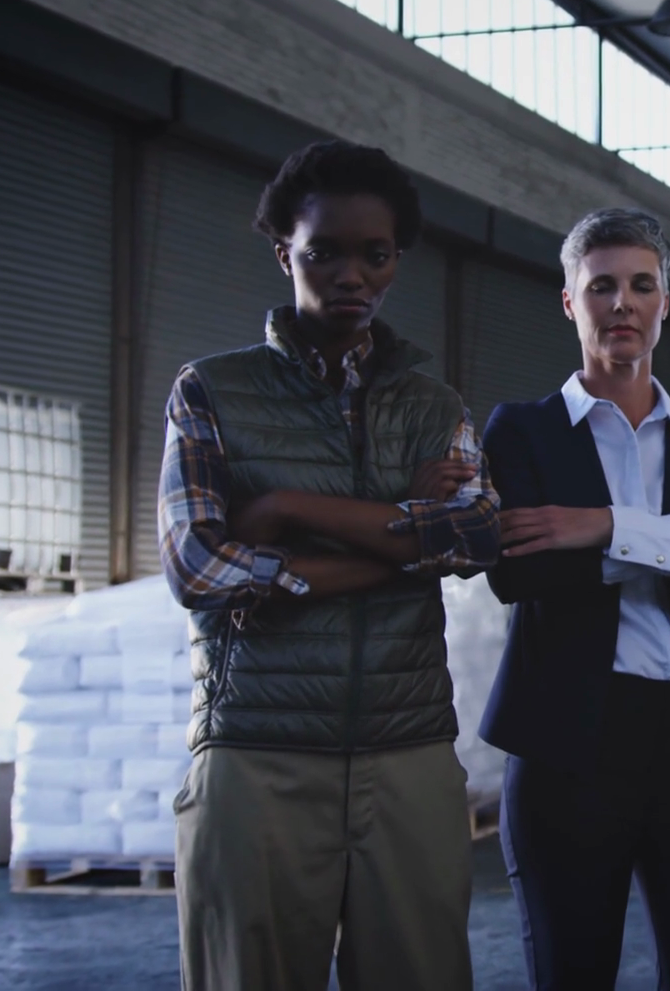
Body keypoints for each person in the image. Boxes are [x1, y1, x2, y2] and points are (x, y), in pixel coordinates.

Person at [160, 140, 499, 991]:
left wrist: (284, 512)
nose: (352, 275)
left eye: (374, 254)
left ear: (396, 260)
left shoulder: (435, 407)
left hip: (408, 752)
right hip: (257, 755)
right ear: (285, 253)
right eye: (324, 253)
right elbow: (199, 568)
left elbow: (475, 536)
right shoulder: (209, 392)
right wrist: (403, 538)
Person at [479, 208, 670, 991]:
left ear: (664, 303)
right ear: (569, 302)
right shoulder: (522, 431)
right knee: (572, 970)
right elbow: (519, 572)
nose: (623, 303)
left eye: (642, 285)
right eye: (601, 286)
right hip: (568, 740)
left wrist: (602, 526)